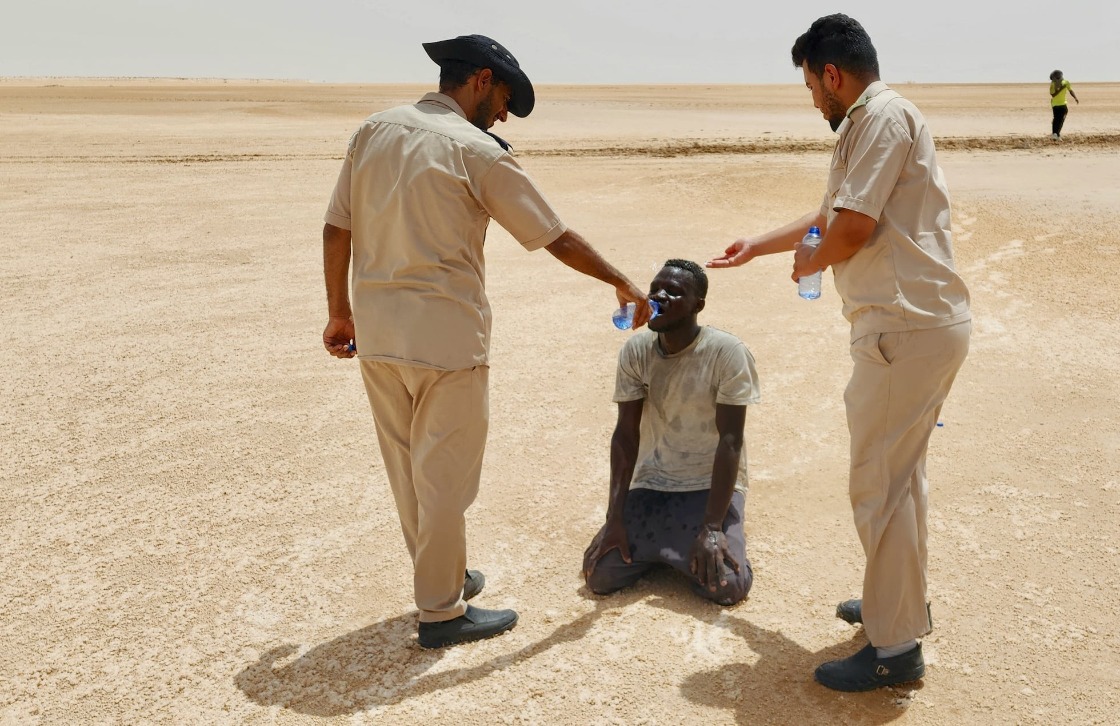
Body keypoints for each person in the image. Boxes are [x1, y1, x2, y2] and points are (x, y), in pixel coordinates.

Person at [320, 34, 651, 649]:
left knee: (407, 470)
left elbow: (337, 225)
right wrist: (621, 280)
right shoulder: (476, 151)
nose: (502, 114)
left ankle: (441, 573)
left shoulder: (373, 129)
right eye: (503, 98)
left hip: (380, 332)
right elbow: (554, 235)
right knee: (445, 479)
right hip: (446, 341)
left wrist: (339, 312)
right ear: (478, 80)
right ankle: (442, 614)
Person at [707, 14, 971, 691]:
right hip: (913, 325)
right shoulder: (867, 123)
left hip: (902, 329)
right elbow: (832, 212)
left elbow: (848, 232)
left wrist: (808, 265)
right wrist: (757, 246)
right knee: (900, 479)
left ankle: (894, 646)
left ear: (832, 73)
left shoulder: (880, 118)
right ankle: (898, 606)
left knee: (879, 484)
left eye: (810, 86)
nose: (812, 100)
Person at [582, 260, 758, 607]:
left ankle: (696, 540)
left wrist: (711, 527)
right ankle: (669, 551)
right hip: (653, 483)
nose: (660, 296)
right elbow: (625, 437)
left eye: (674, 292)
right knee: (600, 575)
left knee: (727, 586)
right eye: (656, 289)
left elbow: (730, 440)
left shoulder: (727, 353)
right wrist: (614, 518)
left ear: (698, 306)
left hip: (708, 485)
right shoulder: (636, 350)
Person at [1049, 70, 1079, 140]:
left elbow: (1070, 90)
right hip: (1055, 104)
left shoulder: (1066, 82)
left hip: (1063, 103)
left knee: (1061, 119)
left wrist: (1075, 97)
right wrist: (1061, 88)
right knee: (1057, 119)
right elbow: (1053, 94)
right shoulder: (1053, 84)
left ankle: (1057, 134)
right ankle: (1055, 134)